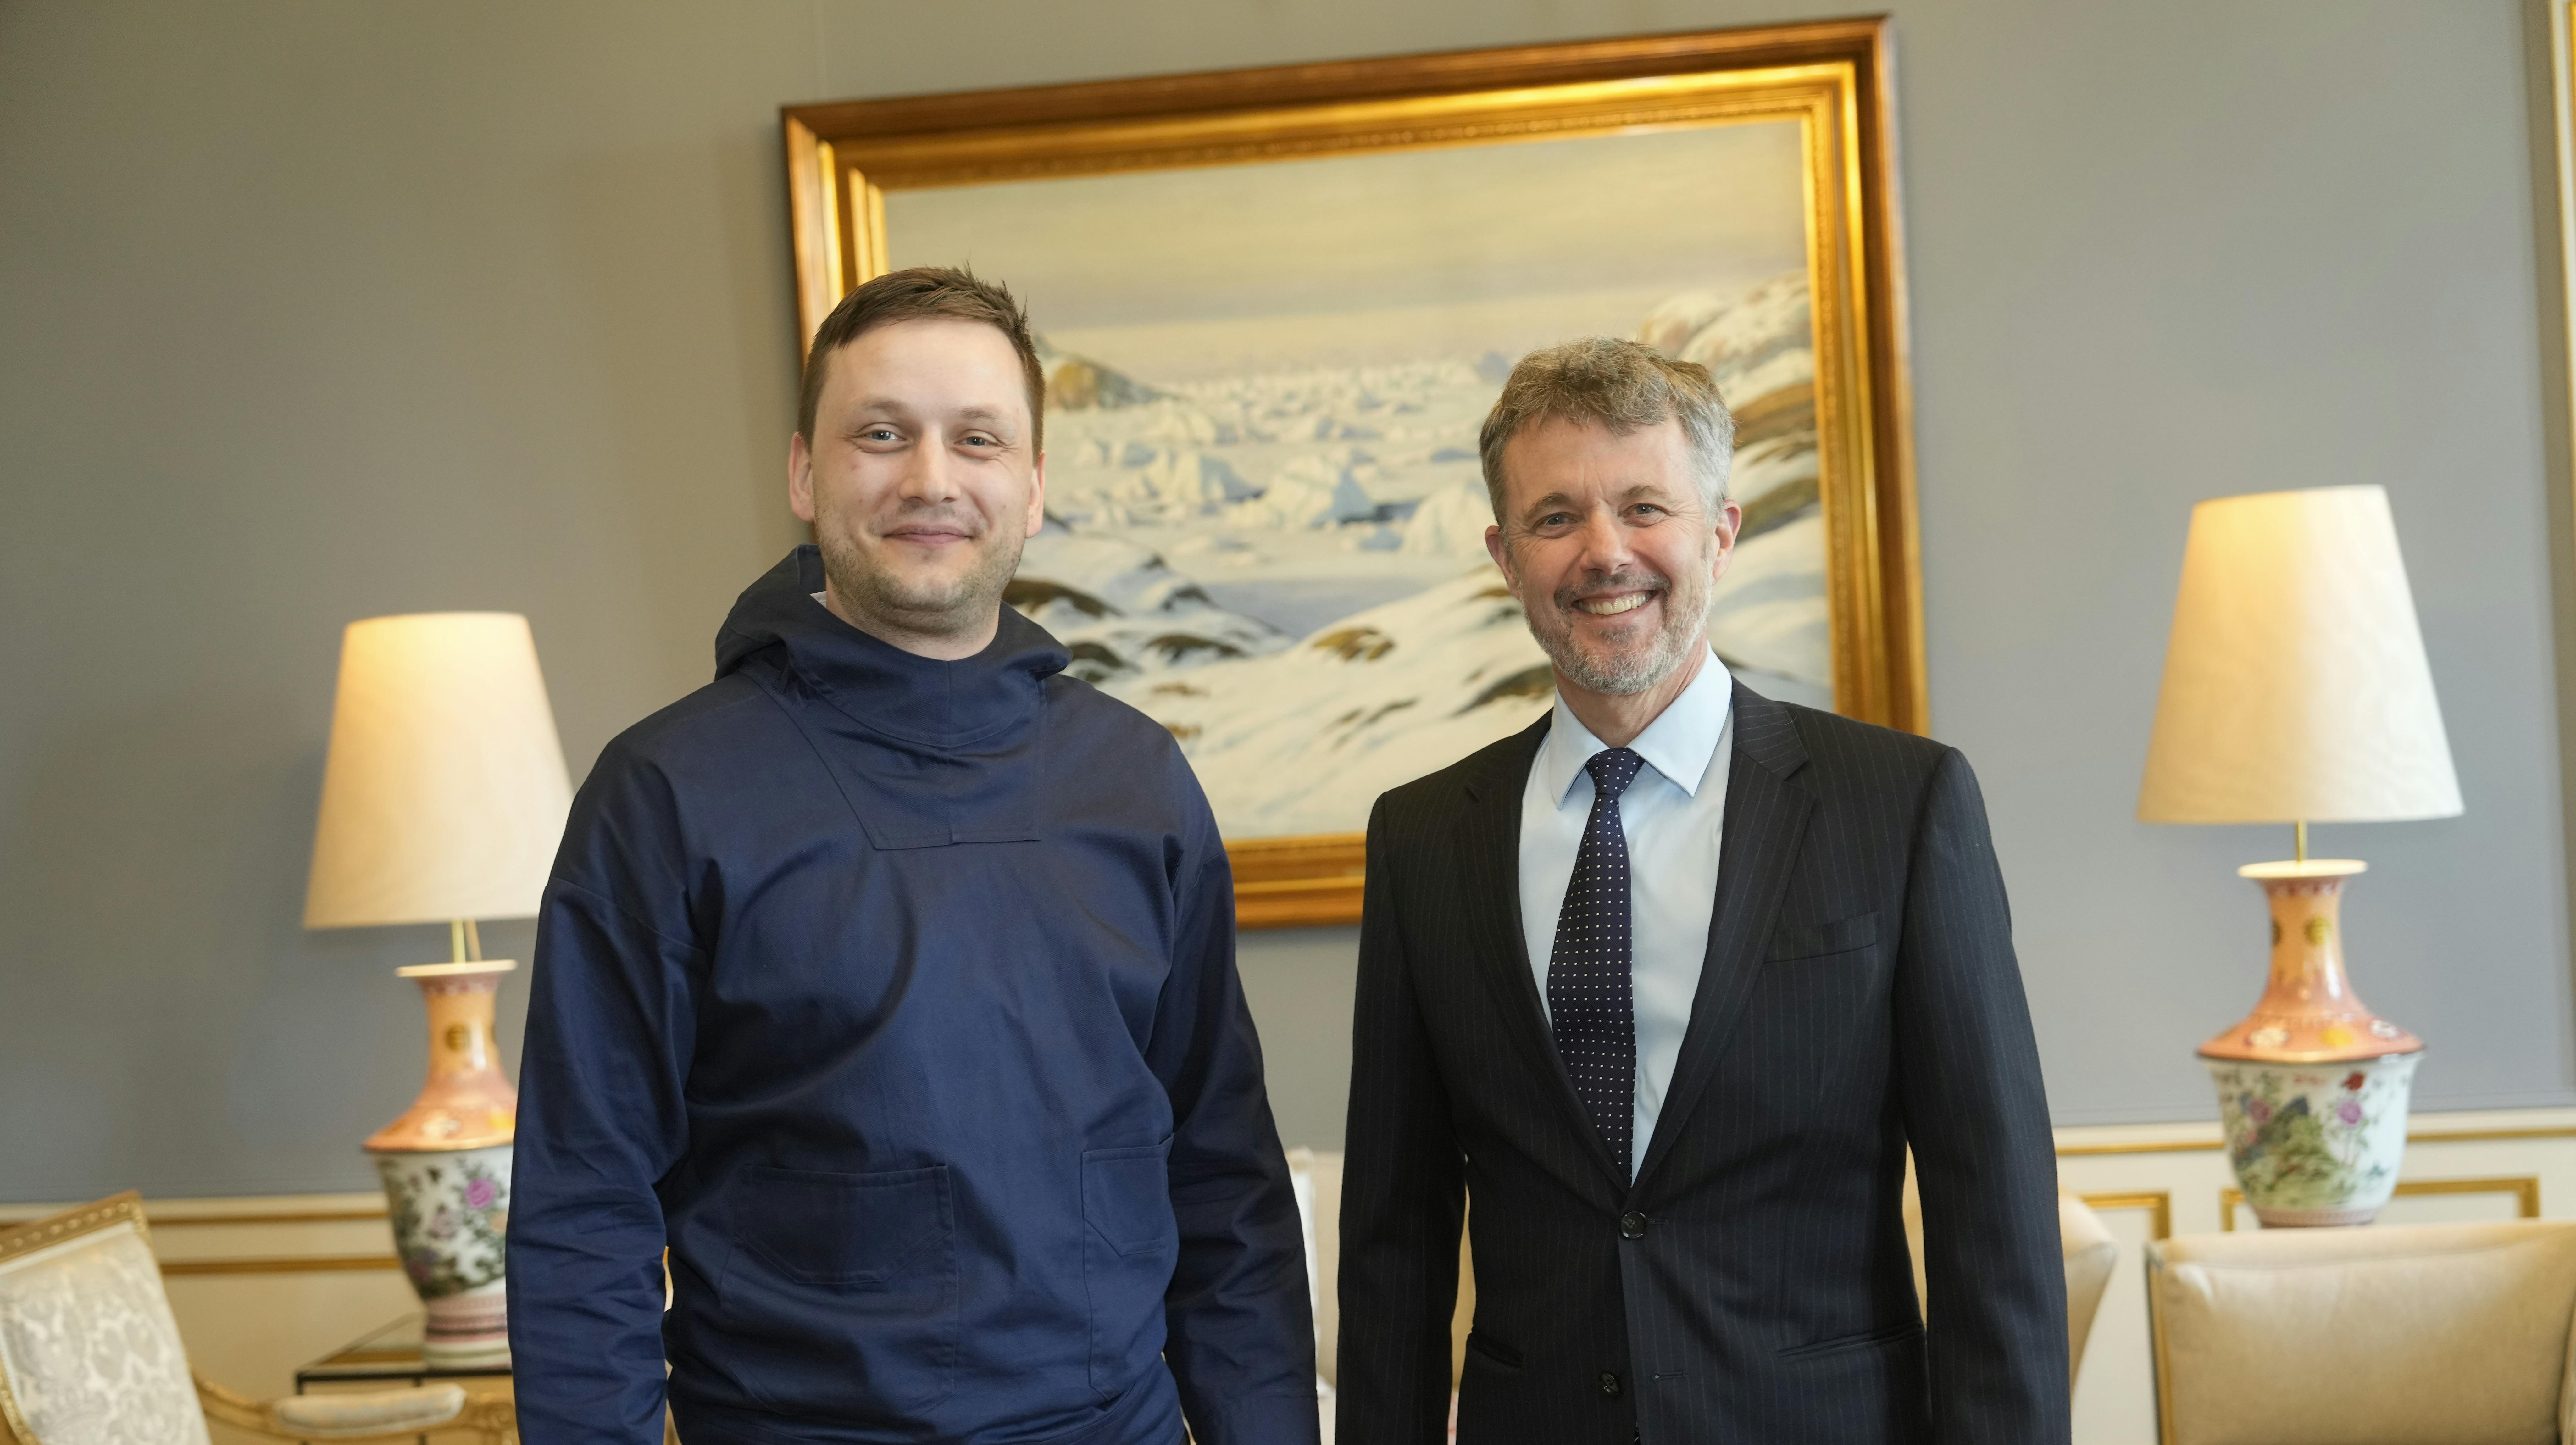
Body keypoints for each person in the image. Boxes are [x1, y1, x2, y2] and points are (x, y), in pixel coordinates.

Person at [508, 267, 1319, 1445]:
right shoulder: (667, 794)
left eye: (976, 439)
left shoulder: (1136, 780)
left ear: (1033, 487)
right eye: (881, 433)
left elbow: (1223, 1184)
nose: (931, 478)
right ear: (804, 472)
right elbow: (585, 1209)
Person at [1335, 338, 2067, 1444]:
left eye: (1644, 507)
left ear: (1719, 532)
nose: (1604, 552)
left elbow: (1993, 1217)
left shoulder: (1901, 805)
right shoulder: (1424, 838)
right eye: (1555, 518)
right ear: (1502, 554)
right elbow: (1395, 1238)